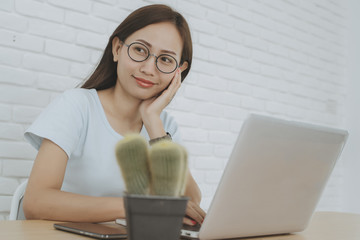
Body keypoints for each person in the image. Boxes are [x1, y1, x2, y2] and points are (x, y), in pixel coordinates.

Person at [23, 4, 205, 225]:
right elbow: (36, 202)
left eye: (166, 59)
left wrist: (153, 122)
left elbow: (191, 204)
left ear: (179, 70)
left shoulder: (164, 125)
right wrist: (136, 207)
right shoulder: (76, 106)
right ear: (117, 48)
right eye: (140, 50)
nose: (149, 68)